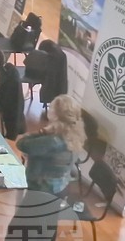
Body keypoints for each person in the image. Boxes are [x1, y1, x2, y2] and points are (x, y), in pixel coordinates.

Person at [9, 94, 86, 240]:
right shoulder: (75, 136)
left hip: (40, 191)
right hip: (59, 190)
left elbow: (22, 143)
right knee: (46, 230)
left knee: (17, 233)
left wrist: (41, 131)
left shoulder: (52, 142)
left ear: (55, 115)